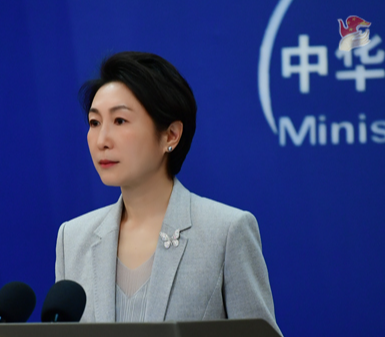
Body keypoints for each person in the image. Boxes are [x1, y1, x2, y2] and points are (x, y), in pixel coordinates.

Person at [54, 51, 282, 335]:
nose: (102, 141)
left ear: (171, 135)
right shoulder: (73, 239)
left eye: (120, 121)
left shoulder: (226, 232)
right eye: (94, 123)